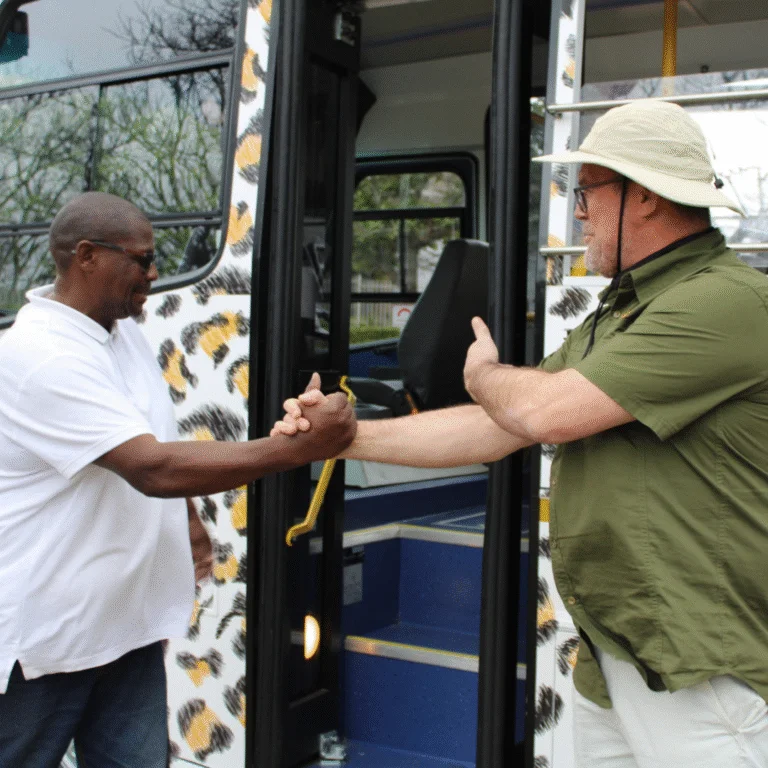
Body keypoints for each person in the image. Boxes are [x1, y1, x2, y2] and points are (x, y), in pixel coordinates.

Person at [274, 101, 768, 767]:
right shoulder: (624, 309)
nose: (578, 211)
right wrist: (342, 439)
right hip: (618, 650)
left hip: (702, 671)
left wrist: (484, 374)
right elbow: (496, 428)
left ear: (644, 196)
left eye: (585, 189)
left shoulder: (722, 301)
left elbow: (539, 413)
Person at [0, 191, 355, 768]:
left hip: (122, 625)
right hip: (48, 642)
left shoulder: (119, 334)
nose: (154, 272)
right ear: (87, 256)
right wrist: (295, 451)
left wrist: (186, 520)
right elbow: (149, 465)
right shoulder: (39, 357)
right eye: (141, 260)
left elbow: (150, 433)